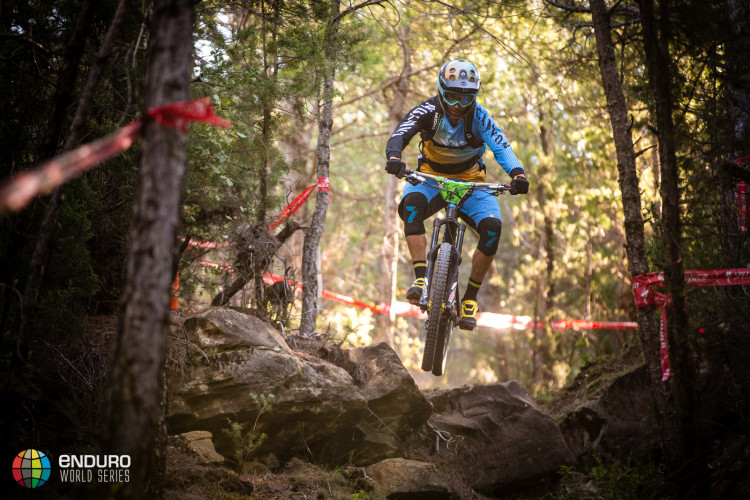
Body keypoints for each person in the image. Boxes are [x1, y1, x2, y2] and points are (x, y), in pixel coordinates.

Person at [384, 59, 529, 331]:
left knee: (492, 229)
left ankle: (471, 298)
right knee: (411, 207)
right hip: (431, 178)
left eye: (466, 98)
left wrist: (518, 174)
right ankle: (421, 278)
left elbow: (501, 146)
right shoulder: (428, 110)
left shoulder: (480, 118)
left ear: (474, 96)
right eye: (451, 96)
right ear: (441, 91)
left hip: (471, 182)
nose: (457, 105)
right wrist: (394, 156)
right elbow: (401, 133)